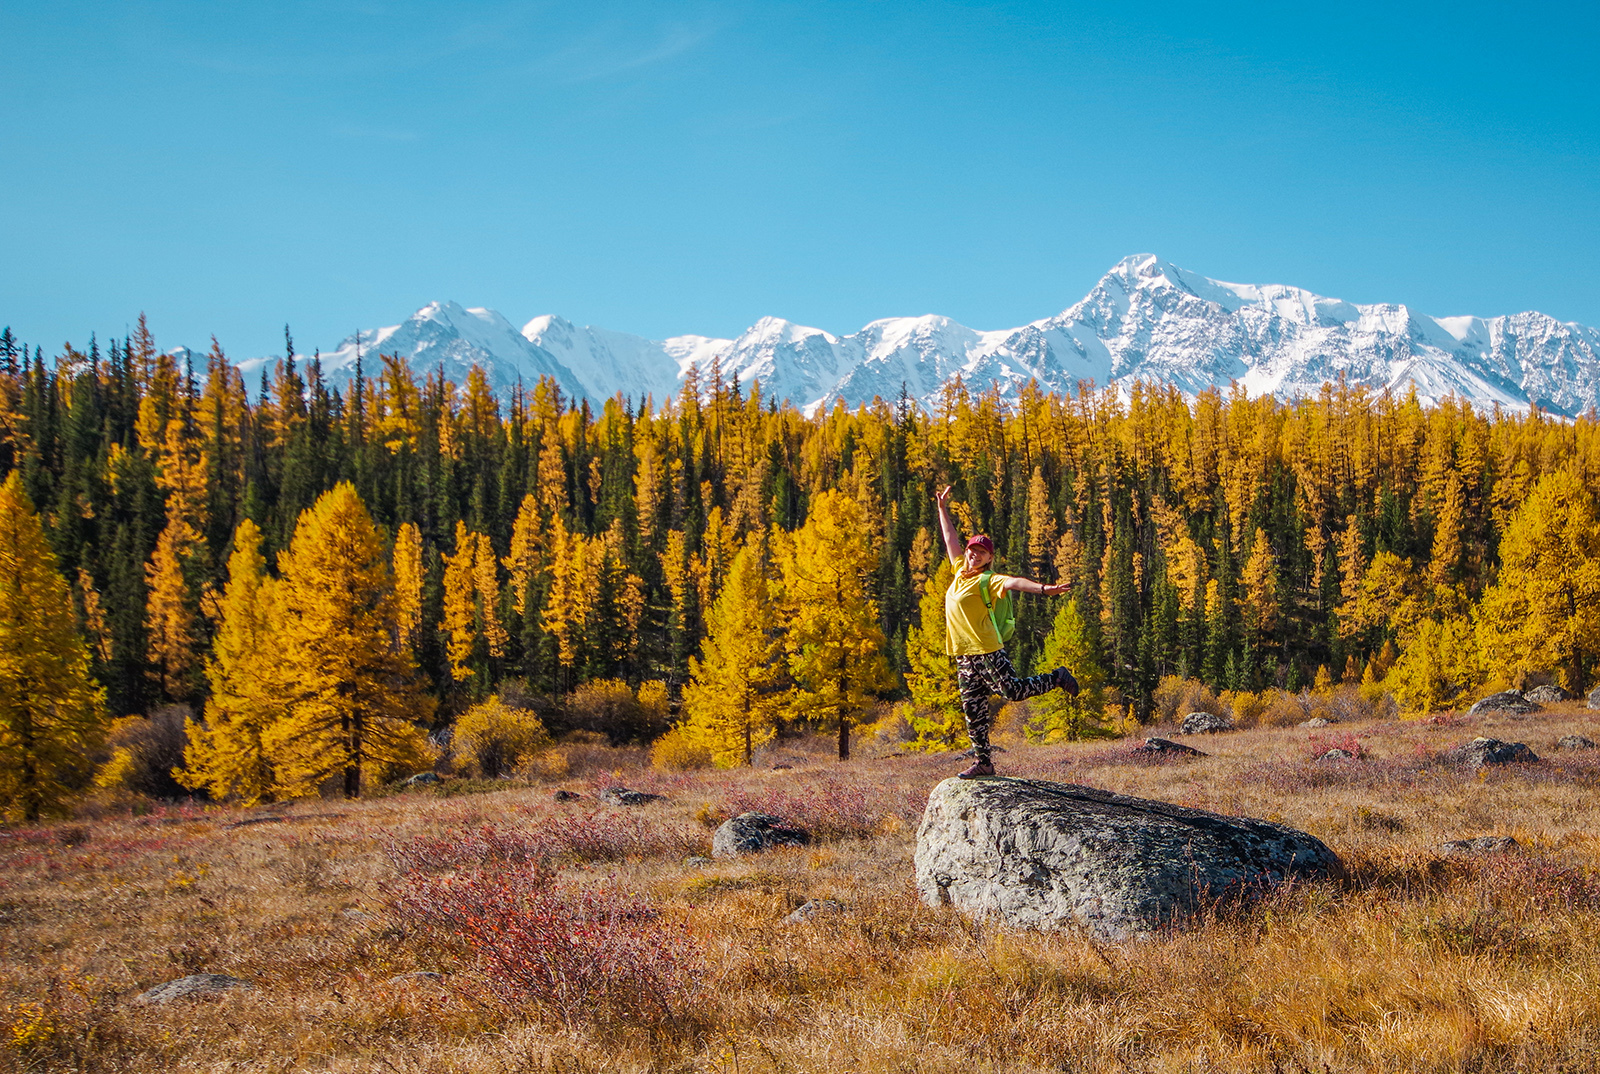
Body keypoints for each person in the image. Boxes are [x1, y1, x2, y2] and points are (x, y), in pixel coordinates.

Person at [935, 485, 1078, 778]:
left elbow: (1015, 582)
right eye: (972, 549)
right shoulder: (959, 570)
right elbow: (950, 539)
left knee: (1011, 691)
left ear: (989, 558)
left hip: (986, 649)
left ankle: (1057, 677)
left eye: (981, 552)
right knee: (973, 711)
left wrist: (1044, 589)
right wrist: (942, 509)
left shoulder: (989, 579)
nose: (974, 554)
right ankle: (984, 762)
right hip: (963, 655)